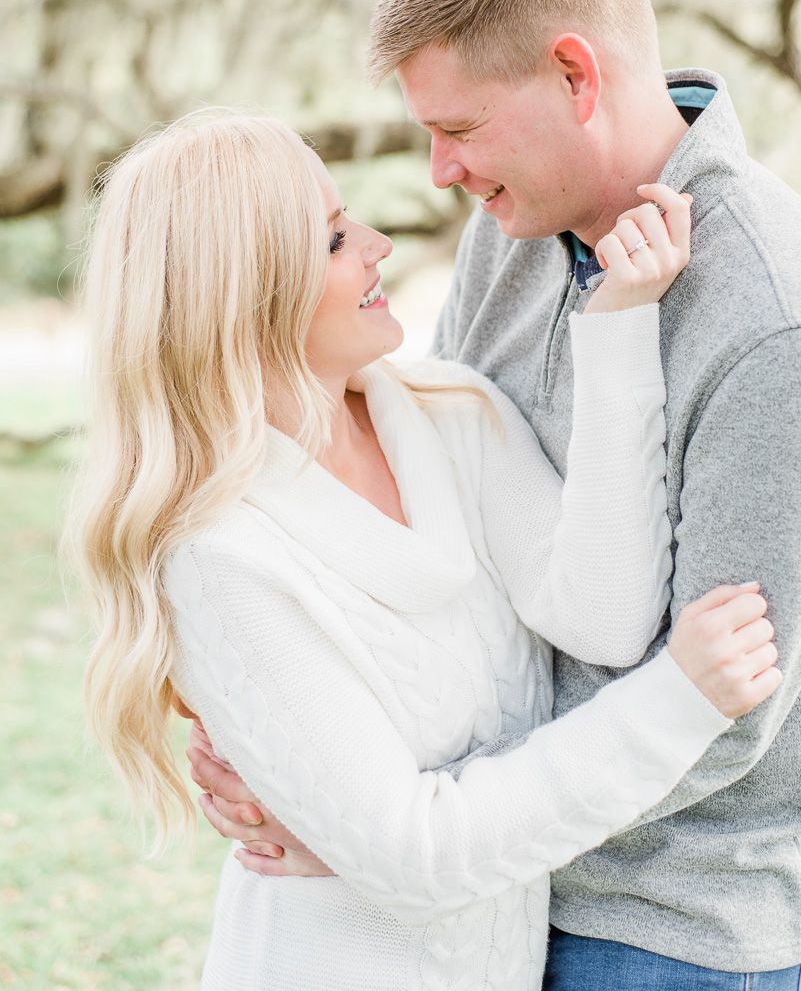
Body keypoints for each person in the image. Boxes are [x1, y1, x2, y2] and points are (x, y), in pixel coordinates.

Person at [195, 0, 801, 986]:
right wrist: (305, 745)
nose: (437, 172)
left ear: (577, 74)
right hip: (493, 905)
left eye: (460, 129)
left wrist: (401, 822)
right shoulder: (510, 230)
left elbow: (739, 703)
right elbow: (460, 539)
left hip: (667, 929)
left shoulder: (767, 315)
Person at [75, 111, 778, 991]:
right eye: (333, 239)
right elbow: (416, 856)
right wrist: (678, 702)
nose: (376, 246)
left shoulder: (447, 411)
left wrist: (618, 326)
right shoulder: (220, 556)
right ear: (244, 295)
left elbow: (600, 616)